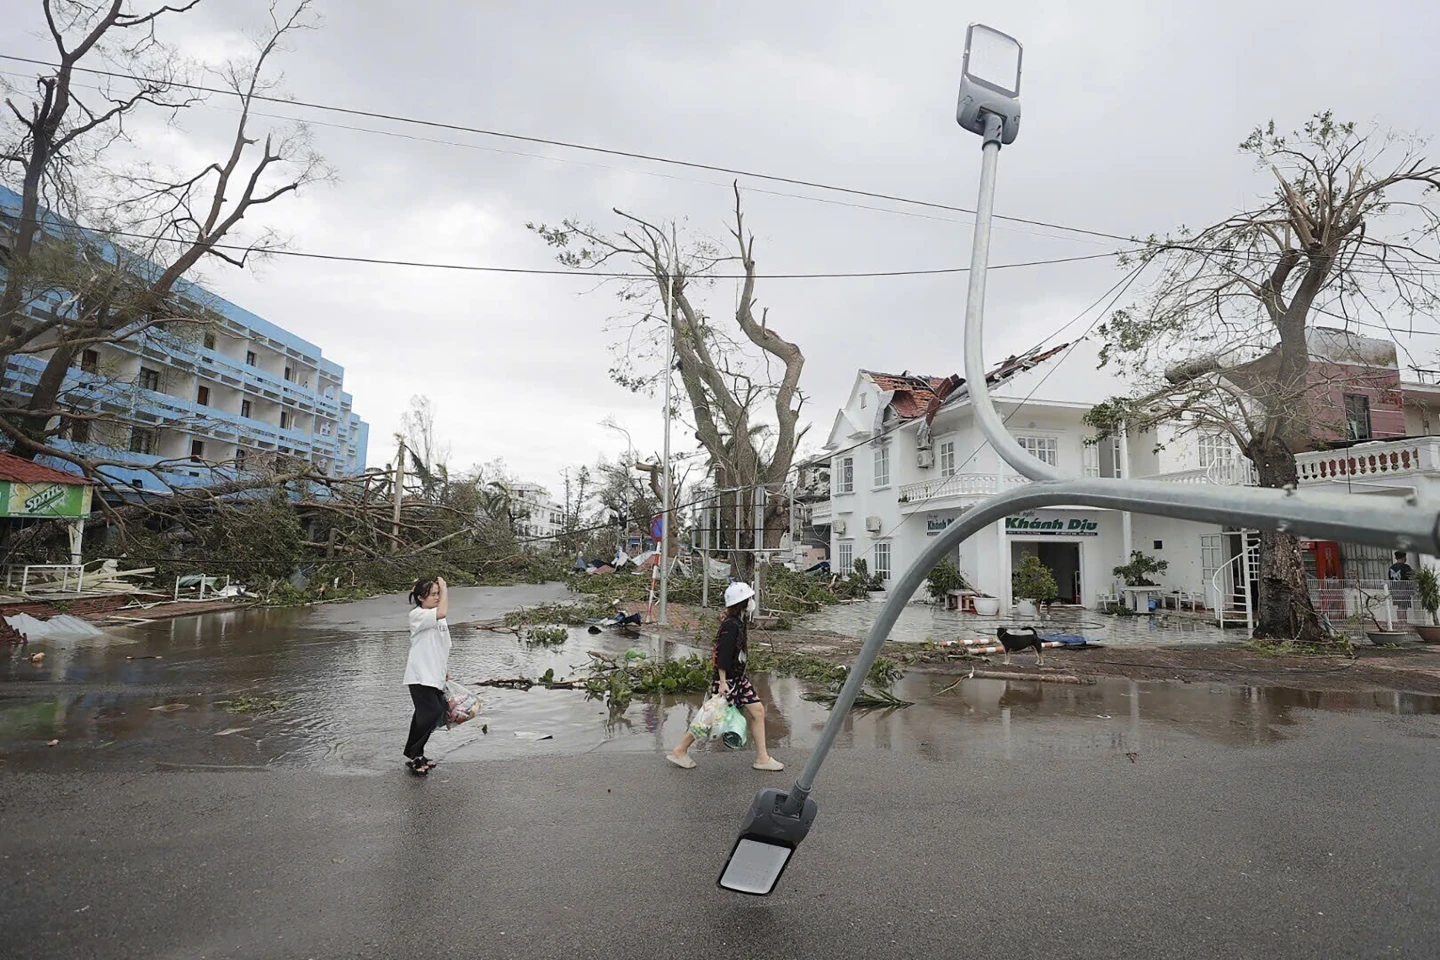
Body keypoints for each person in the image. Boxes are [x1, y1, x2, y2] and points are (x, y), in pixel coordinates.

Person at [667, 581, 784, 772]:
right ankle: (680, 750)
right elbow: (721, 656)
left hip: (737, 679)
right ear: (743, 603)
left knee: (757, 711)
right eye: (749, 599)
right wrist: (722, 682)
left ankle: (763, 758)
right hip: (728, 681)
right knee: (708, 718)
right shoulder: (731, 626)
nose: (752, 602)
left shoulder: (738, 622)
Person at [403, 575, 450, 776]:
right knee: (429, 714)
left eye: (439, 594)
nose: (437, 597)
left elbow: (442, 645)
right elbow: (442, 611)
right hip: (419, 675)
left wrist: (444, 669)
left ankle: (416, 753)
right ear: (421, 597)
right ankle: (414, 756)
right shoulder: (418, 615)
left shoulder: (438, 617)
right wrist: (445, 588)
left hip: (434, 675)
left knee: (434, 713)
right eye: (433, 594)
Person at [1388, 551, 1415, 617]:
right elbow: (1412, 576)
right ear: (1404, 557)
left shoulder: (1391, 567)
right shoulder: (1406, 567)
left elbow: (1390, 578)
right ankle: (1402, 623)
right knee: (1403, 607)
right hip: (1404, 589)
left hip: (1395, 589)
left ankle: (1401, 622)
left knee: (1399, 606)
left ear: (1396, 558)